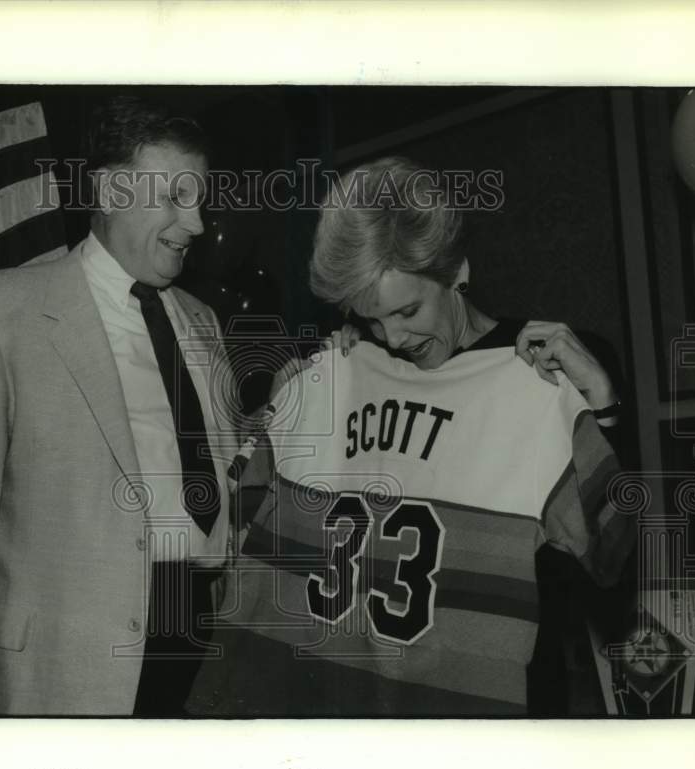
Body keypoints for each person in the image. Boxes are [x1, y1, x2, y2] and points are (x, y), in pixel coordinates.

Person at [187, 156, 636, 716]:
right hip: (331, 710)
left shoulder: (540, 372)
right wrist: (291, 404)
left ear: (456, 272)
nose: (394, 338)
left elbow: (618, 554)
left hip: (489, 708)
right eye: (372, 319)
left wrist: (602, 406)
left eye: (407, 310)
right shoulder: (342, 368)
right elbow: (231, 527)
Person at [0, 96, 238, 716]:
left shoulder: (203, 321)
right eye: (176, 197)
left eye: (199, 199)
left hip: (195, 654)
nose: (194, 223)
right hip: (62, 676)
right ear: (110, 193)